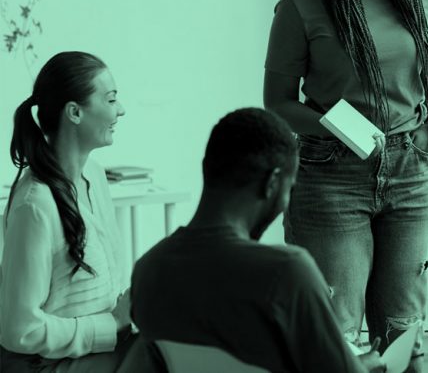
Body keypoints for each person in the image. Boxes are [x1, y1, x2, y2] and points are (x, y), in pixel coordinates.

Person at [263, 0, 428, 372]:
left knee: (403, 334)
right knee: (334, 334)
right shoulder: (301, 3)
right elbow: (276, 102)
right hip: (330, 178)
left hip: (410, 175)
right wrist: (340, 128)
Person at [129, 108, 385, 372]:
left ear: (208, 169)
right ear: (272, 183)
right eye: (289, 187)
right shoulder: (286, 272)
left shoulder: (148, 269)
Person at [0, 51, 134, 372]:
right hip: (55, 364)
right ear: (74, 112)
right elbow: (21, 330)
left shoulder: (96, 176)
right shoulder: (35, 204)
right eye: (111, 99)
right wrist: (111, 324)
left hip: (104, 349)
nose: (121, 110)